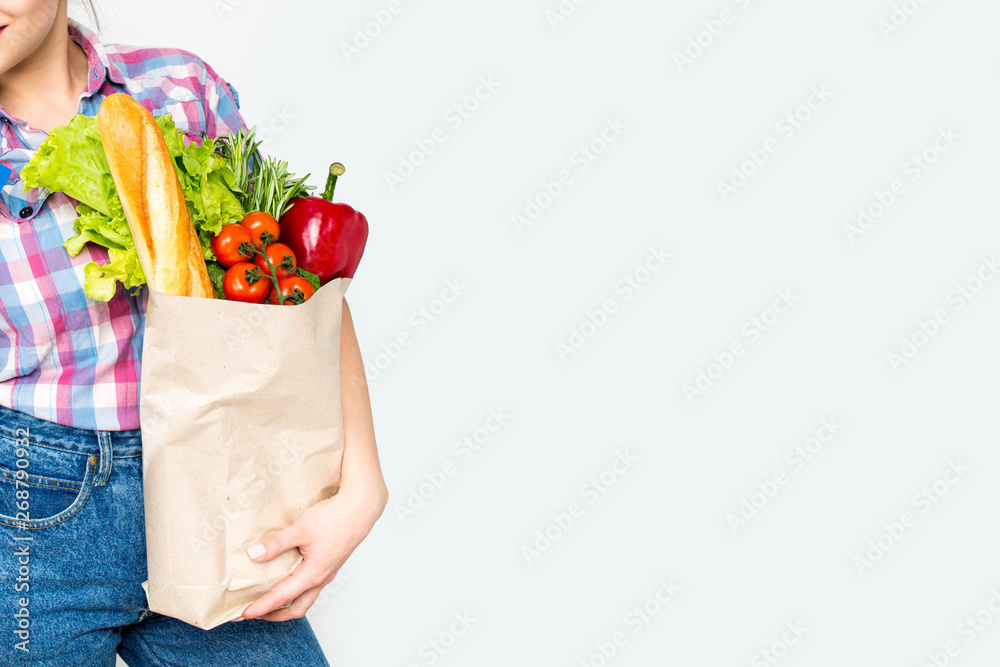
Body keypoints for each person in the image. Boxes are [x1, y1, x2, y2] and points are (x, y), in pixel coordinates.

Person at [0, 2, 388, 665]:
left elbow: (292, 283)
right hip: (28, 513)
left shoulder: (178, 90)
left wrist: (362, 479)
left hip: (216, 488)